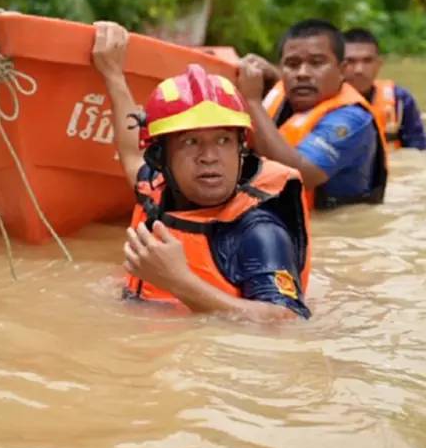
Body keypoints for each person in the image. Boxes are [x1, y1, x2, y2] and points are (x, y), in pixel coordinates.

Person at [91, 21, 311, 321]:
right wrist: (112, 73)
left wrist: (179, 282)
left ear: (240, 149)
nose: (209, 157)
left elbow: (288, 323)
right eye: (190, 141)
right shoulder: (157, 188)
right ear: (160, 158)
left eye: (222, 140)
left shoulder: (259, 232)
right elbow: (132, 153)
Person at [237, 19, 388, 211]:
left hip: (337, 229)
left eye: (317, 63)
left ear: (342, 70)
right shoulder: (288, 92)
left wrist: (251, 101)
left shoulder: (352, 120)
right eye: (292, 64)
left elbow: (298, 175)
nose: (302, 74)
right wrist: (271, 80)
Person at [342, 27, 426, 151]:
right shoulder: (324, 100)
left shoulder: (400, 100)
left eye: (367, 61)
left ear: (379, 64)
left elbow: (420, 151)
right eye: (350, 61)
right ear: (338, 65)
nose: (359, 70)